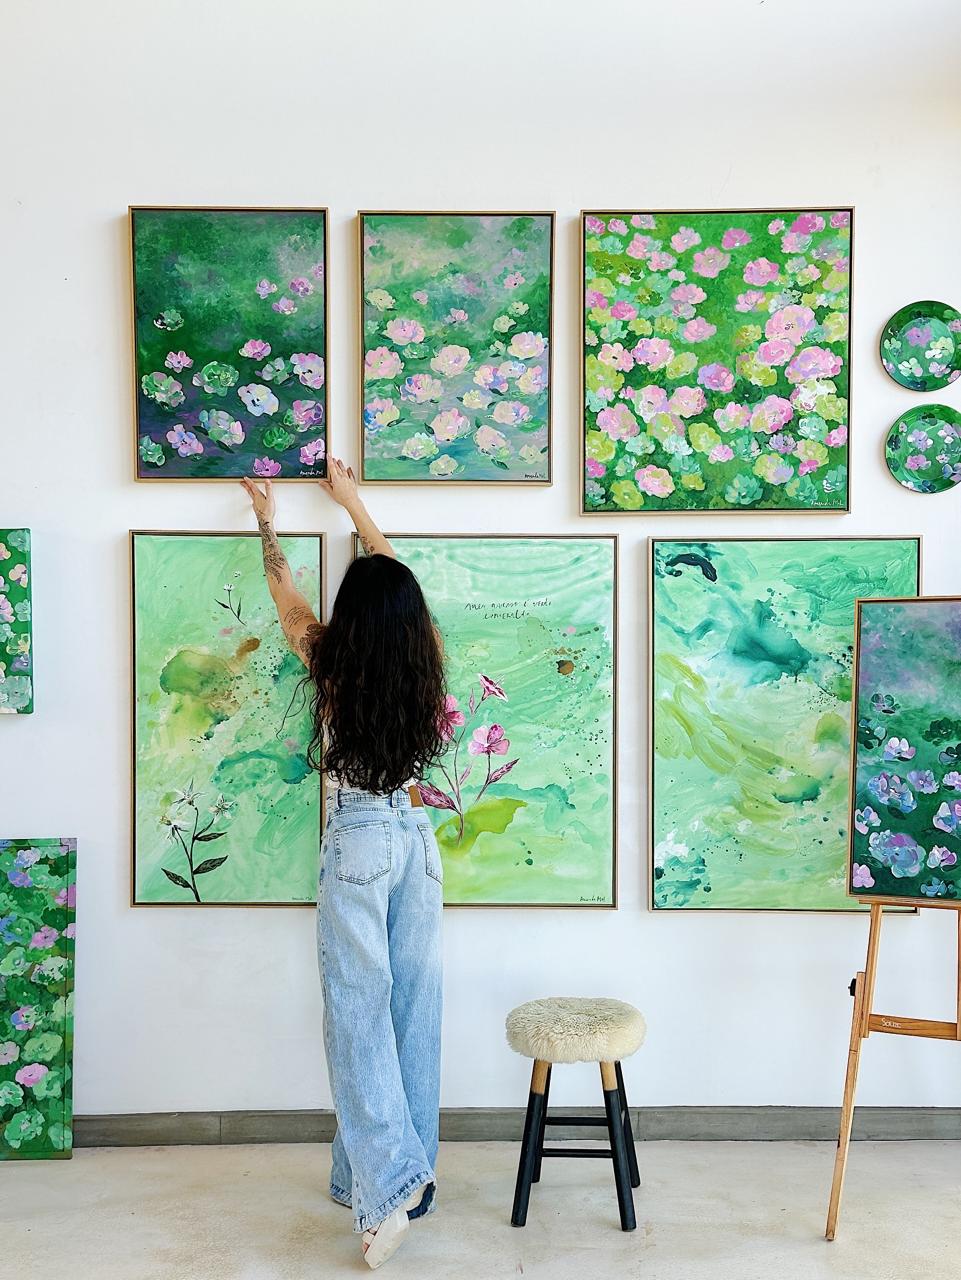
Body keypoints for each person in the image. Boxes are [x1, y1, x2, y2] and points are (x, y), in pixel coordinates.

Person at [241, 460, 447, 1270]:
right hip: (417, 839)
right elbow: (395, 573)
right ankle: (392, 1176)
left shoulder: (327, 657)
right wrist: (354, 503)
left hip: (359, 834)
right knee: (412, 1009)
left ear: (348, 615)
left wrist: (267, 517)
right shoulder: (425, 655)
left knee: (359, 1012)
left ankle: (388, 1189)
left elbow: (283, 590)